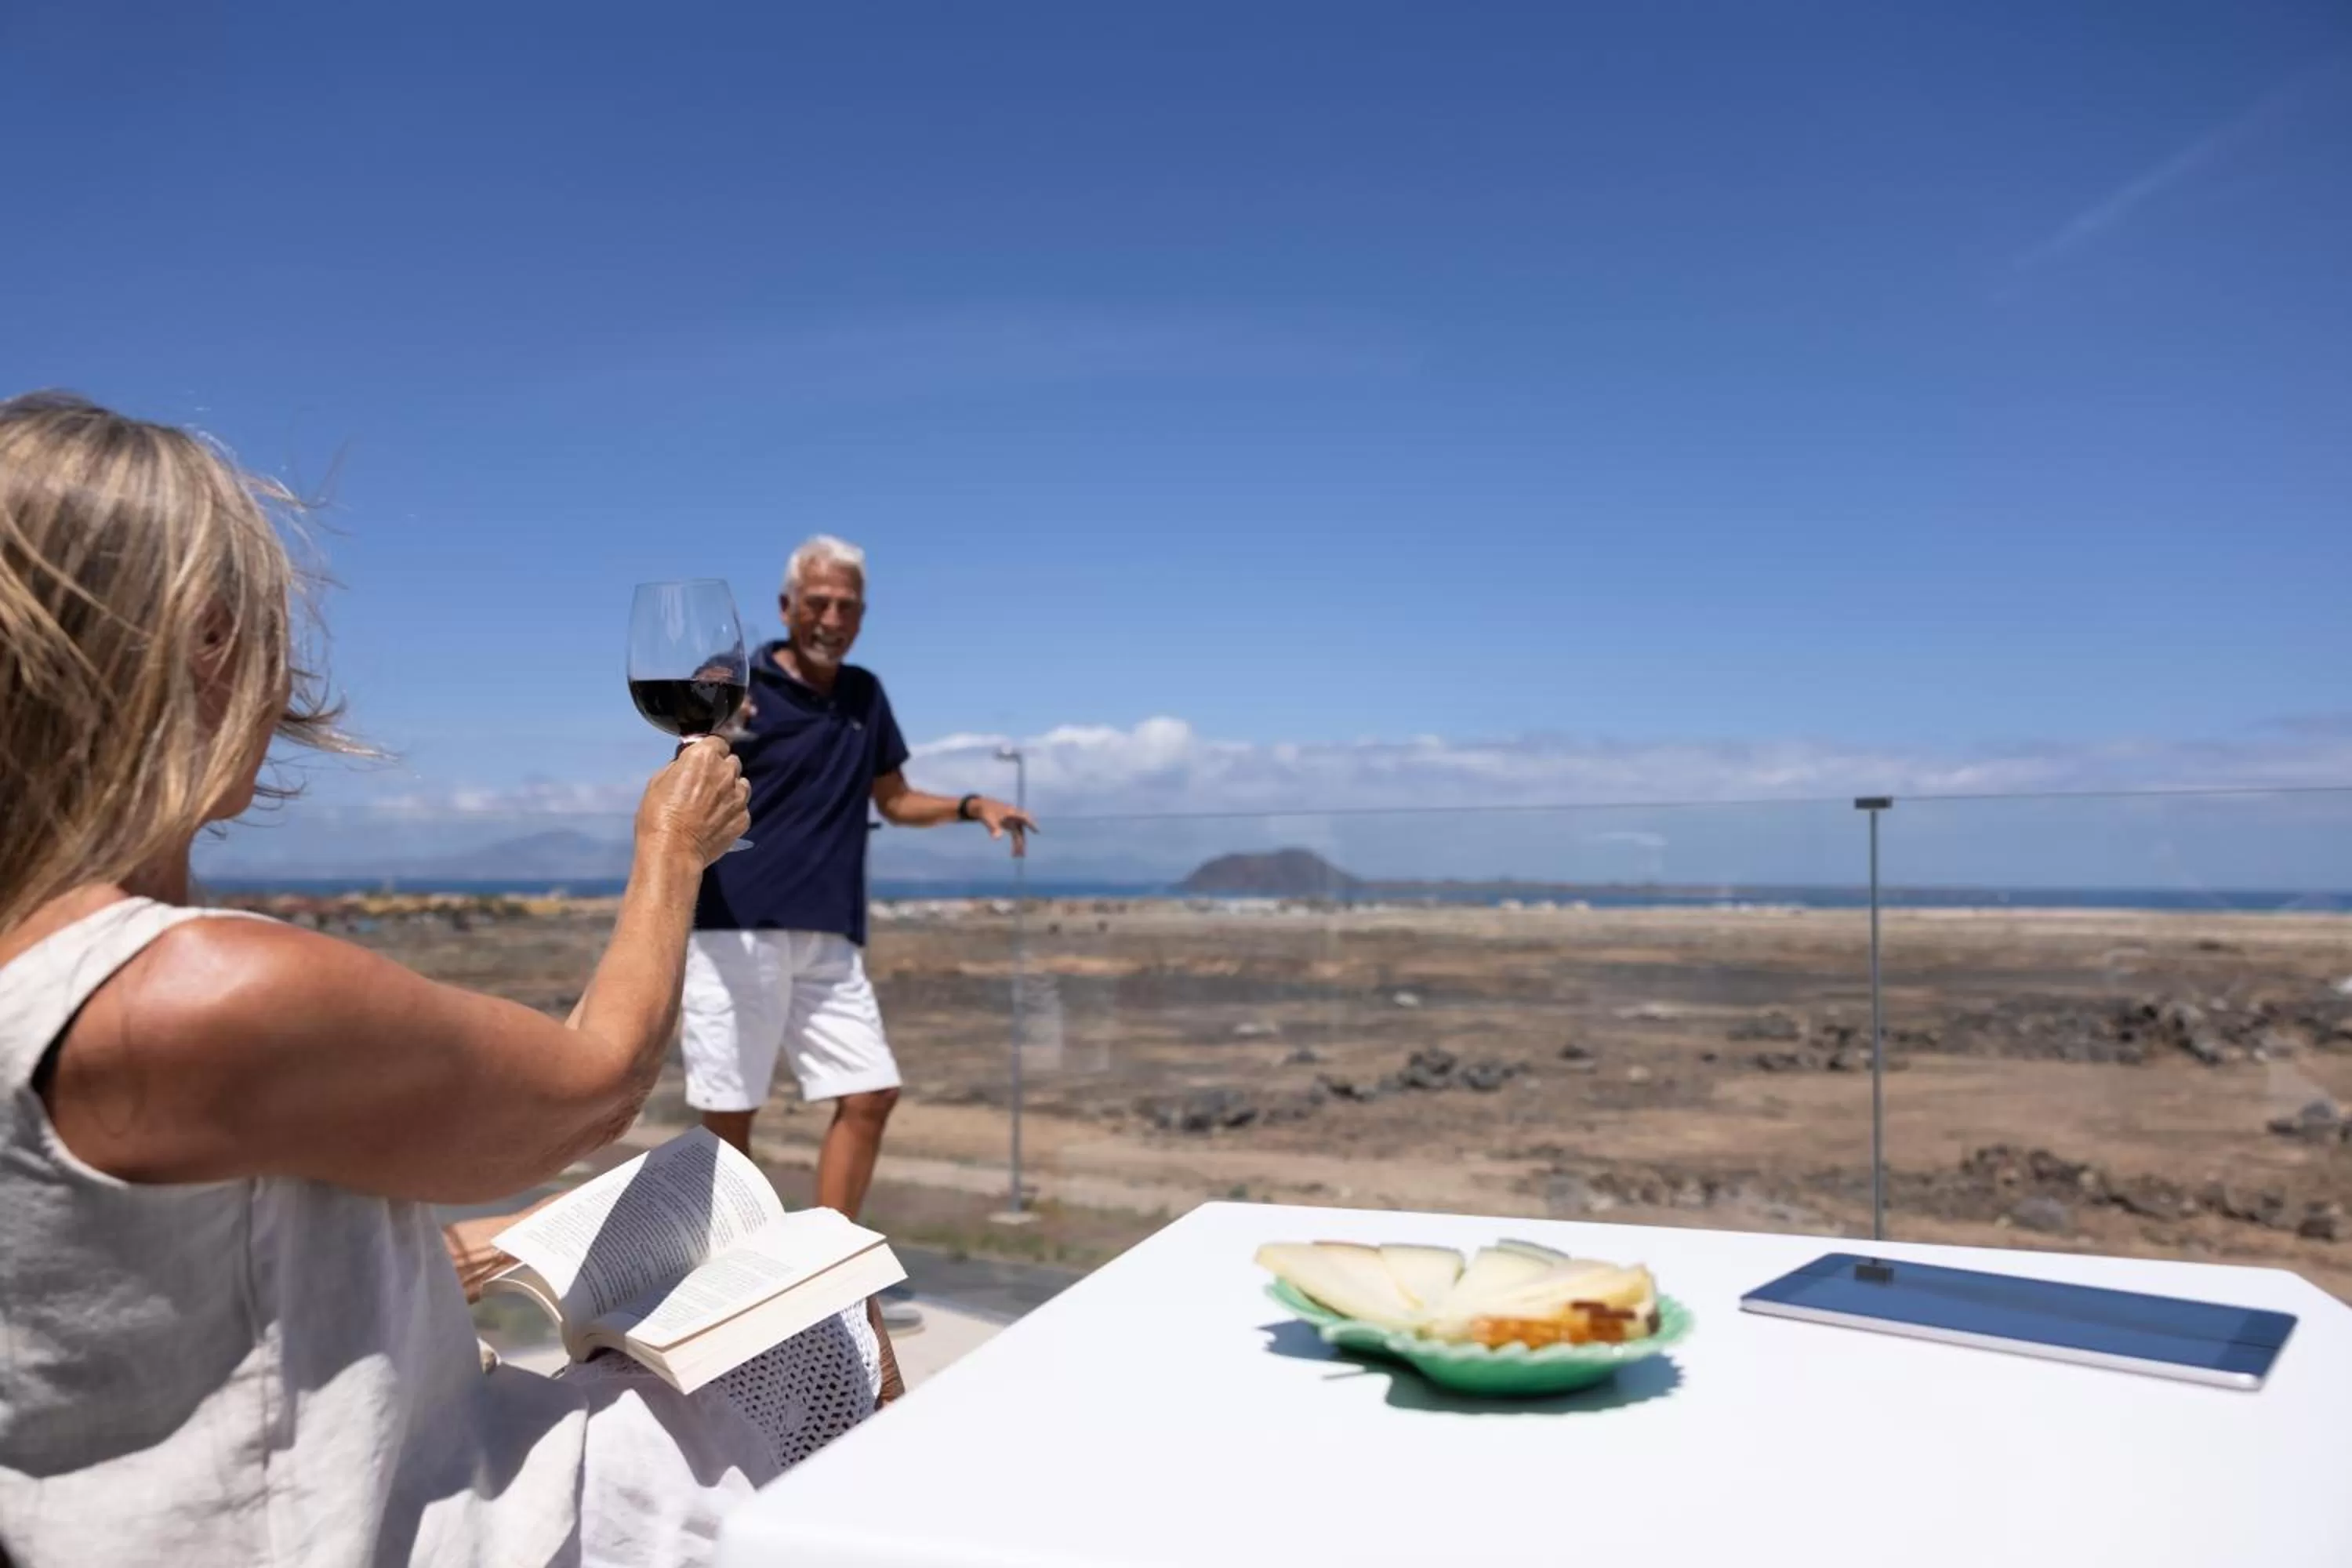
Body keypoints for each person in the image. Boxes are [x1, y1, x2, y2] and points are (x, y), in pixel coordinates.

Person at [0, 394, 894, 1568]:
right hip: (391, 1524)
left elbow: (153, 1274)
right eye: (264, 628)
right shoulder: (199, 986)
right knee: (838, 1326)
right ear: (199, 646)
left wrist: (472, 1249)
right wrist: (673, 856)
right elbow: (594, 1085)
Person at [681, 537, 1035, 1275]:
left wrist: (974, 804)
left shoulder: (865, 695)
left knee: (870, 1093)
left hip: (831, 933)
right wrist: (713, 727)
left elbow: (895, 799)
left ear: (861, 616)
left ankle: (824, 1274)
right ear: (787, 608)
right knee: (730, 1115)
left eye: (846, 606)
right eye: (817, 603)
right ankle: (727, 1282)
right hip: (735, 927)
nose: (831, 617)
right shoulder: (735, 684)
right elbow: (686, 778)